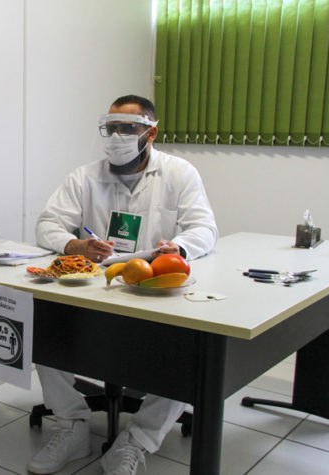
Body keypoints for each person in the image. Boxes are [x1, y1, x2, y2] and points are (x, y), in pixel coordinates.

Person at [28, 95, 217, 475]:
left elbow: (205, 228)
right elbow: (47, 224)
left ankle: (136, 441)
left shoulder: (179, 173)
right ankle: (72, 425)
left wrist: (178, 246)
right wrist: (74, 245)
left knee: (188, 353)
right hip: (94, 285)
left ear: (151, 133)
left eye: (128, 128)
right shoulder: (84, 177)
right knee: (43, 326)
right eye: (111, 128)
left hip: (154, 285)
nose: (117, 137)